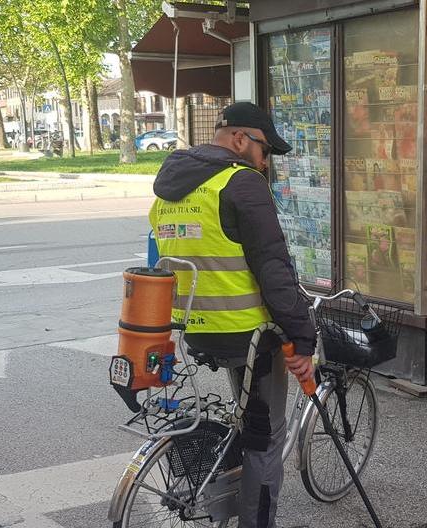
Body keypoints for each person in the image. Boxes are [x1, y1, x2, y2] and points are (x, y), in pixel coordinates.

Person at [149, 102, 316, 528]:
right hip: (249, 334)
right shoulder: (241, 182)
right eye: (265, 151)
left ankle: (228, 494)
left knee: (248, 418)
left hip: (197, 328)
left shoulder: (170, 188)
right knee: (267, 436)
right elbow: (274, 271)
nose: (266, 162)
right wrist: (304, 336)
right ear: (241, 140)